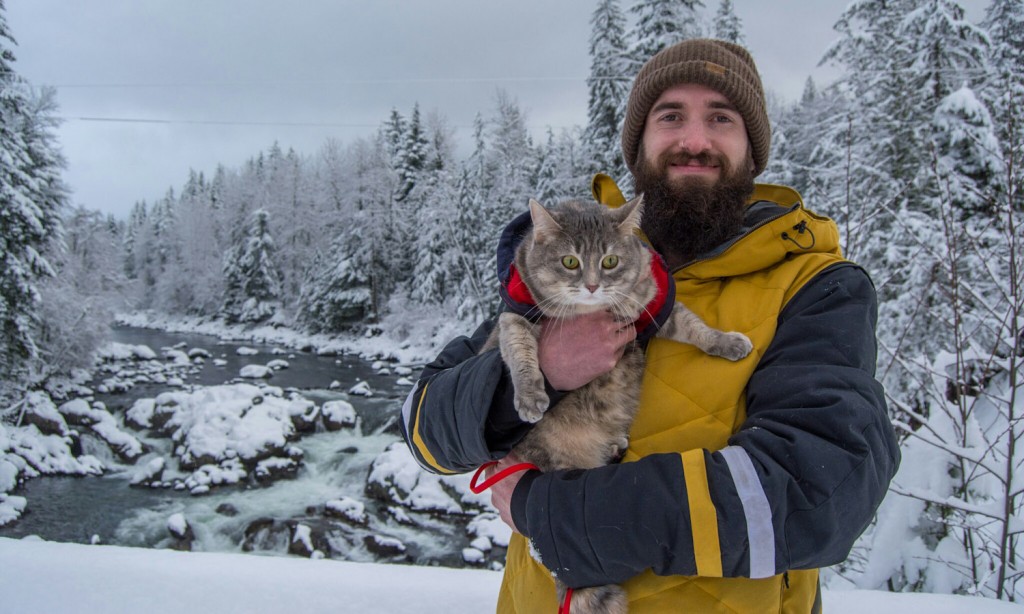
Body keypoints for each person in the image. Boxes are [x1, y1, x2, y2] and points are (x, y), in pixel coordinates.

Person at [401, 38, 899, 613]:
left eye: (721, 118)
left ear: (753, 149)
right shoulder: (574, 265)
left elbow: (821, 490)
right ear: (638, 145)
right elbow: (422, 424)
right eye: (671, 117)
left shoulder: (815, 284)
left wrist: (555, 512)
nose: (695, 140)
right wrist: (543, 375)